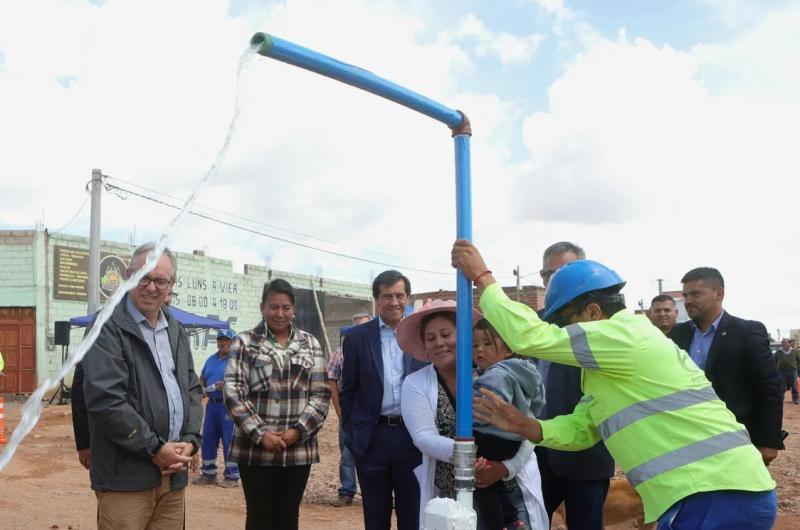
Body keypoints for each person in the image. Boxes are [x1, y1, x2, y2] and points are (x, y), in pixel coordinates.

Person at [452, 240, 778, 529]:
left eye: (567, 323)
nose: (566, 334)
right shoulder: (611, 364)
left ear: (593, 312)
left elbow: (531, 337)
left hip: (714, 494)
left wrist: (483, 278)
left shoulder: (625, 335)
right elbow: (584, 428)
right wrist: (528, 426)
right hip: (706, 494)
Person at [82, 242, 203, 530]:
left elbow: (192, 390)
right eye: (143, 277)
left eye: (160, 280)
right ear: (128, 275)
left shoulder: (175, 329)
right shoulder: (107, 327)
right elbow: (106, 399)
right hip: (126, 478)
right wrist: (155, 448)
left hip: (172, 476)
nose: (151, 287)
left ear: (171, 284)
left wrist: (191, 441)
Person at [224, 279, 330, 530]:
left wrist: (297, 432)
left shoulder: (310, 344)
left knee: (288, 517)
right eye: (274, 307)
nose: (279, 313)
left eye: (286, 307)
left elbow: (321, 395)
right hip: (254, 449)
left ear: (293, 310)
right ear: (262, 307)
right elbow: (234, 392)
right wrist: (261, 435)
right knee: (259, 516)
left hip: (298, 449)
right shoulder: (245, 343)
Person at [534, 241, 614, 530]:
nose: (555, 280)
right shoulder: (532, 327)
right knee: (527, 522)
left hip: (586, 454)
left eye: (564, 272)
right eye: (548, 274)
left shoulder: (601, 323)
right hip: (537, 449)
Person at [668, 267, 784, 465]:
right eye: (685, 295)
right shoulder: (677, 334)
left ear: (718, 294)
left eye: (695, 294)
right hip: (687, 435)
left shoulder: (747, 332)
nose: (688, 301)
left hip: (735, 436)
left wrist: (768, 440)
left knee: (738, 494)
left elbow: (769, 387)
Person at [340, 270, 426, 530]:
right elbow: (348, 390)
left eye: (400, 295)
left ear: (408, 297)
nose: (394, 302)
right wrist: (353, 432)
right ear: (376, 300)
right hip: (372, 437)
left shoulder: (420, 333)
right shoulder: (357, 337)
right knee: (375, 516)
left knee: (412, 514)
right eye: (387, 296)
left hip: (412, 437)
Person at [328, 312, 372, 507]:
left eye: (366, 326)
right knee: (347, 452)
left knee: (373, 453)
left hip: (372, 412)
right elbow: (332, 381)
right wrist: (338, 409)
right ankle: (346, 491)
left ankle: (374, 492)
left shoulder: (378, 351)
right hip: (349, 411)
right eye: (358, 327)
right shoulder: (341, 352)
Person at [194, 328, 240, 487]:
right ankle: (208, 473)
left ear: (234, 342)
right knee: (208, 437)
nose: (223, 343)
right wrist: (202, 388)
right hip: (212, 406)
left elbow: (244, 381)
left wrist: (227, 385)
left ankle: (232, 476)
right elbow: (202, 377)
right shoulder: (211, 359)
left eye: (227, 340)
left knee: (229, 439)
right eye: (221, 340)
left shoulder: (237, 361)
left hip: (228, 405)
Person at [774, 339, 800, 404]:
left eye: (785, 342)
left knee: (794, 385)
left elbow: (798, 360)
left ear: (789, 343)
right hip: (781, 371)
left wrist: (795, 367)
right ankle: (780, 399)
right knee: (781, 385)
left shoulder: (795, 351)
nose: (784, 344)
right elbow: (775, 360)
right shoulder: (778, 352)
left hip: (793, 371)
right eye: (783, 343)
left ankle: (795, 399)